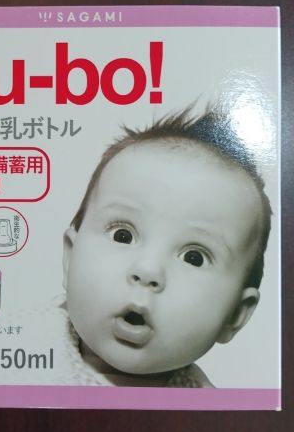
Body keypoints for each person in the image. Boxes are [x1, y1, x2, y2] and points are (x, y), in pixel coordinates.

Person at [62, 108, 272, 387]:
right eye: (123, 236)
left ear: (235, 314)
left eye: (194, 257)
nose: (148, 271)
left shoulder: (208, 409)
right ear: (70, 256)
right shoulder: (21, 349)